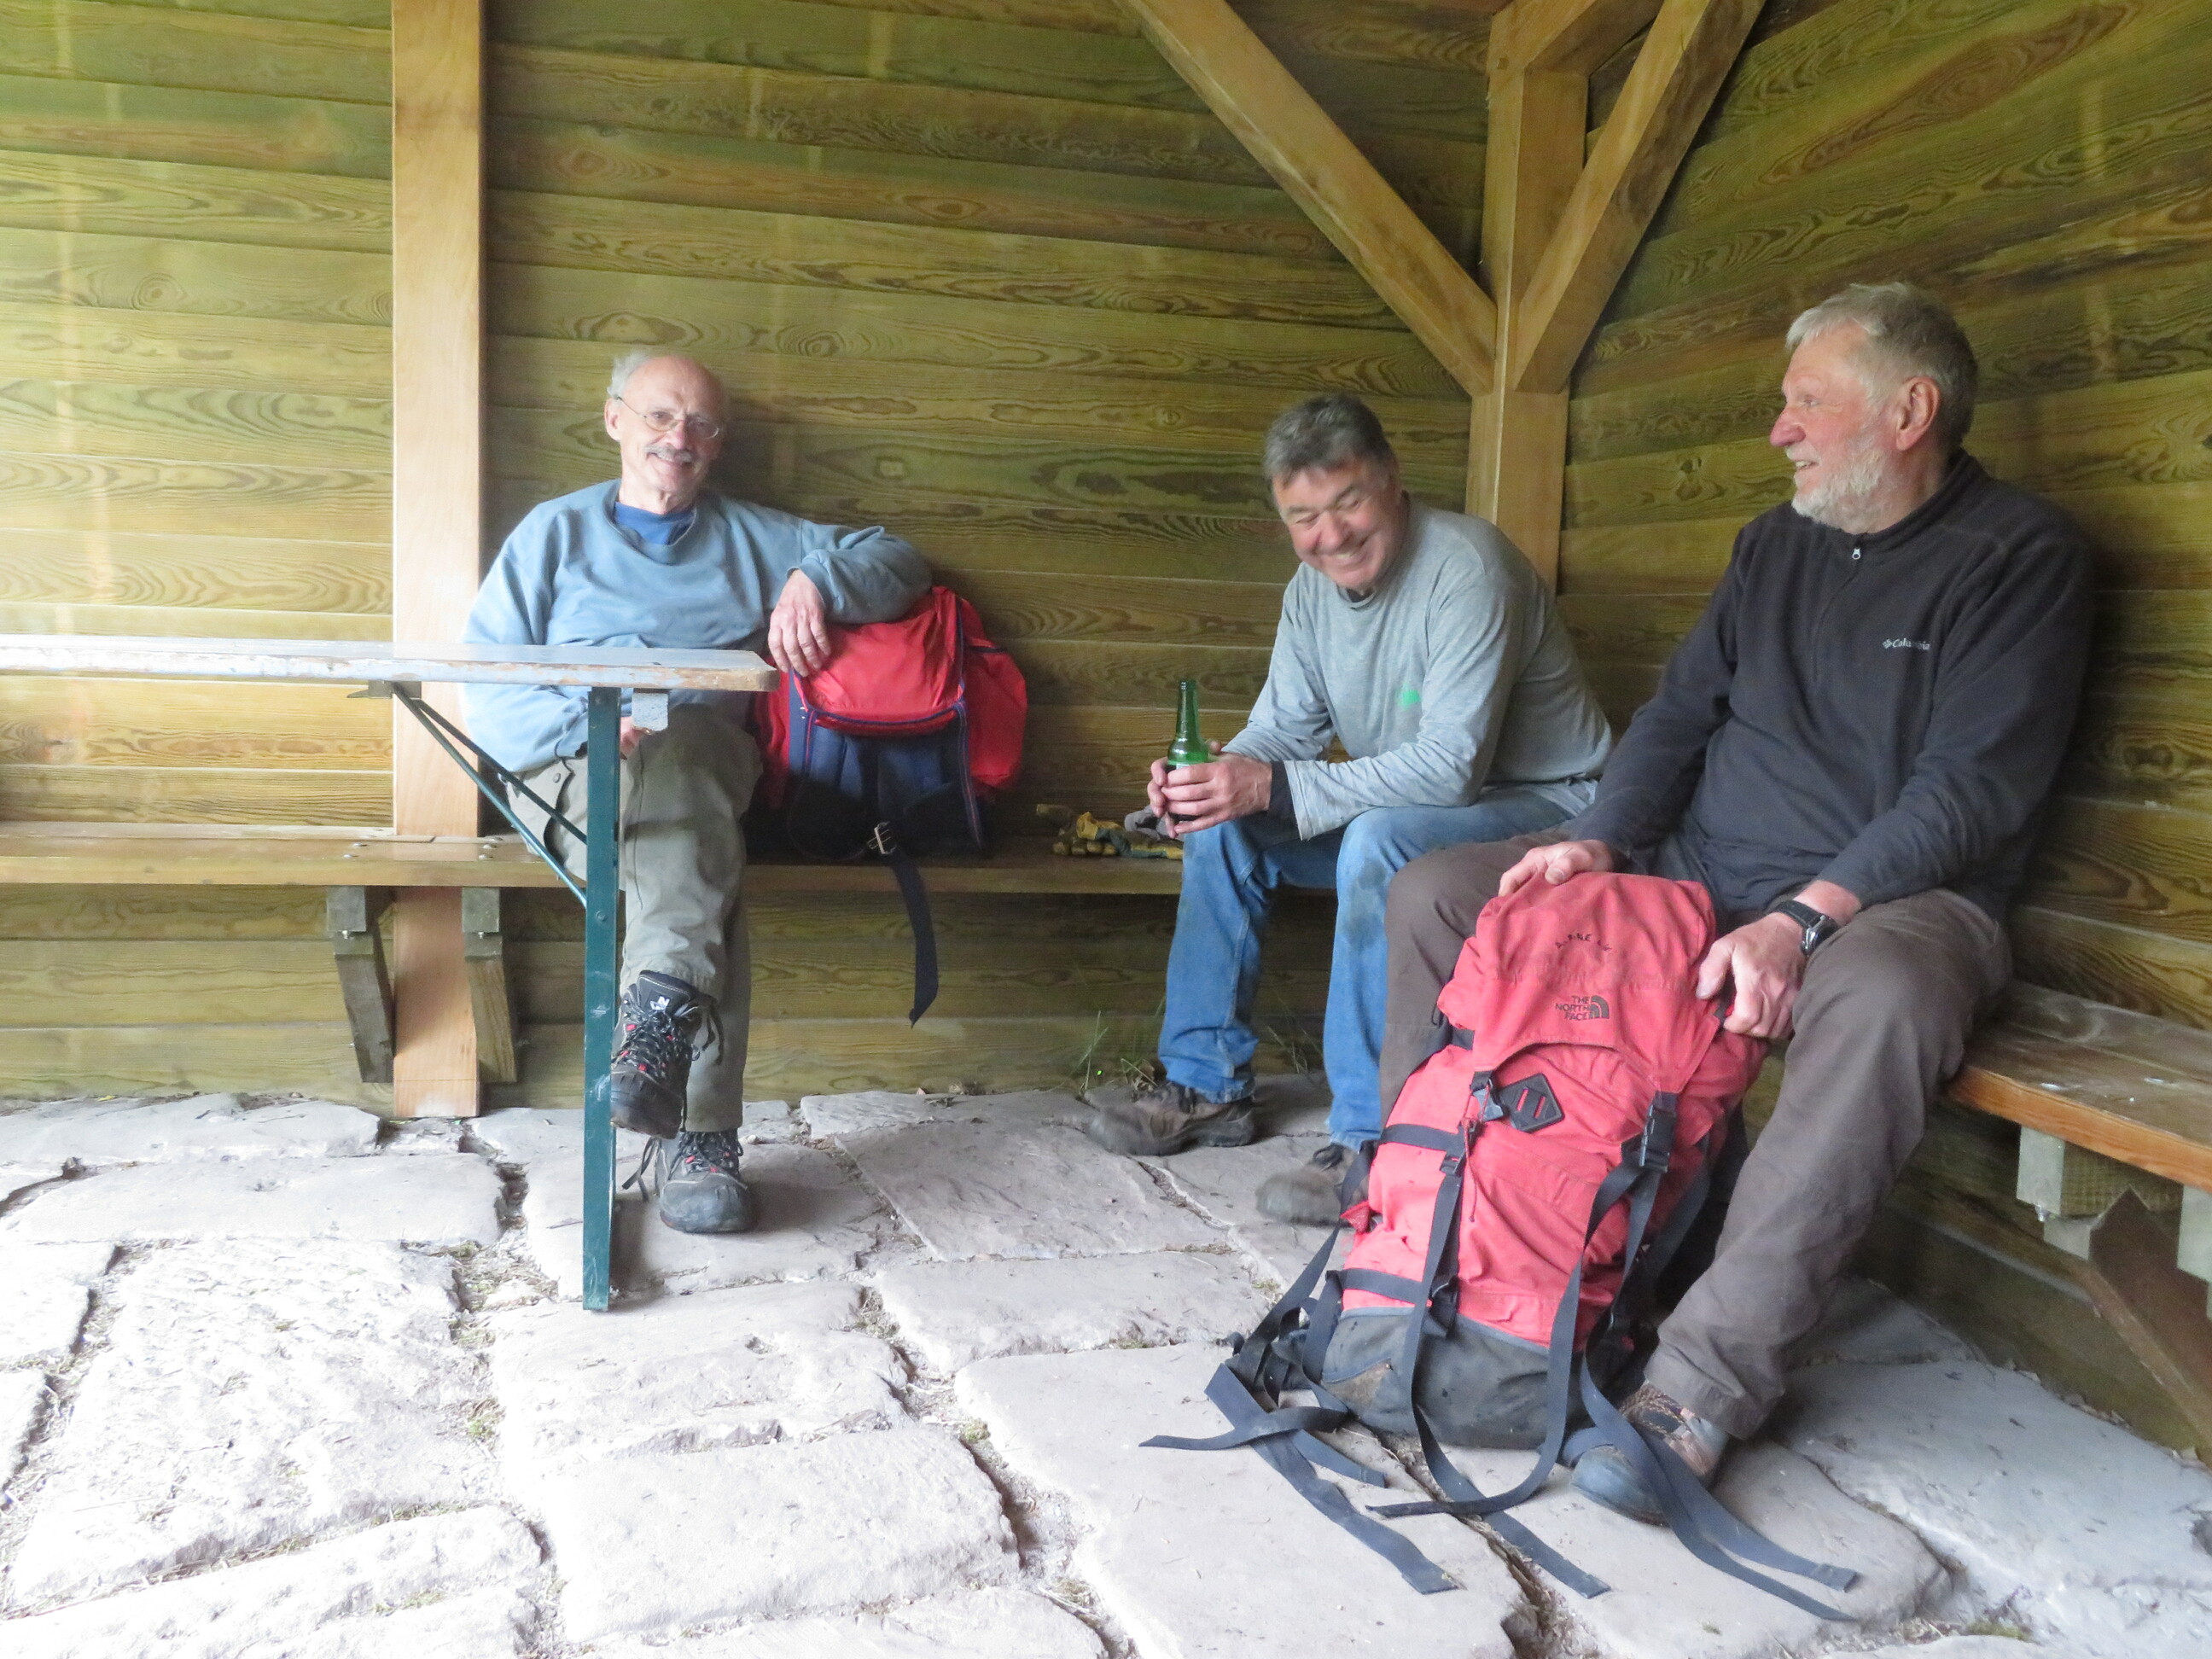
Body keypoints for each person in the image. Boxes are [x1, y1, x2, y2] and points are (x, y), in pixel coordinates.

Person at [1377, 282, 2094, 1522]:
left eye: (1807, 402)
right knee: (1444, 894)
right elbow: (1676, 718)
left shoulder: (2021, 559)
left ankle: (1698, 1385)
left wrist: (1804, 919)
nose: (1780, 430)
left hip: (1897, 901)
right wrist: (1597, 842)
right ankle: (1421, 1239)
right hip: (1700, 871)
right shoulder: (1774, 545)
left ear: (1909, 412)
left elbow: (1972, 789)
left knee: (1886, 1003)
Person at [1084, 393, 1614, 1224]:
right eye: (1303, 517)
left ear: (1392, 479)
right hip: (1423, 807)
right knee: (1228, 826)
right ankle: (1206, 1084)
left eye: (1348, 502)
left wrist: (1270, 784)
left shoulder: (1469, 569)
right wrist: (1214, 780)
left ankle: (1371, 1138)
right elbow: (1283, 732)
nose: (1329, 535)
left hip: (1545, 810)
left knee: (1376, 839)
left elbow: (1452, 769)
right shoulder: (1311, 592)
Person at [464, 352, 929, 1235]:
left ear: (718, 444)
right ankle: (703, 1134)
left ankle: (657, 1039)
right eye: (659, 416)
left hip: (697, 761)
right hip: (568, 771)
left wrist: (814, 580)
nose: (678, 438)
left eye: (701, 425)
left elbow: (898, 561)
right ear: (615, 421)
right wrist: (583, 728)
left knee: (689, 787)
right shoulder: (551, 535)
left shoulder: (758, 538)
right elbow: (483, 686)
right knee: (703, 862)